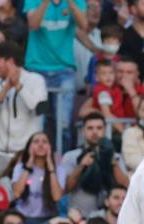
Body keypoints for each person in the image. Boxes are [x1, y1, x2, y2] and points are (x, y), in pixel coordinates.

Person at [25, 0, 88, 149]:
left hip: (64, 69)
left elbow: (84, 26)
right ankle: (36, 162)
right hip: (37, 67)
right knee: (37, 124)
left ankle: (63, 161)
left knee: (64, 123)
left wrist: (71, 3)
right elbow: (33, 25)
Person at [0, 41, 48, 178]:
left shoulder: (36, 80)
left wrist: (18, 85)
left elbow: (39, 109)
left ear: (10, 61)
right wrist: (5, 88)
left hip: (24, 154)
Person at [61, 113, 129, 216]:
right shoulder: (70, 156)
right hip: (79, 216)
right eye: (90, 128)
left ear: (105, 130)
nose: (95, 132)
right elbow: (66, 189)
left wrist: (113, 164)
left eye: (99, 128)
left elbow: (125, 186)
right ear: (83, 130)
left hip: (109, 218)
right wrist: (81, 166)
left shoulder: (115, 156)